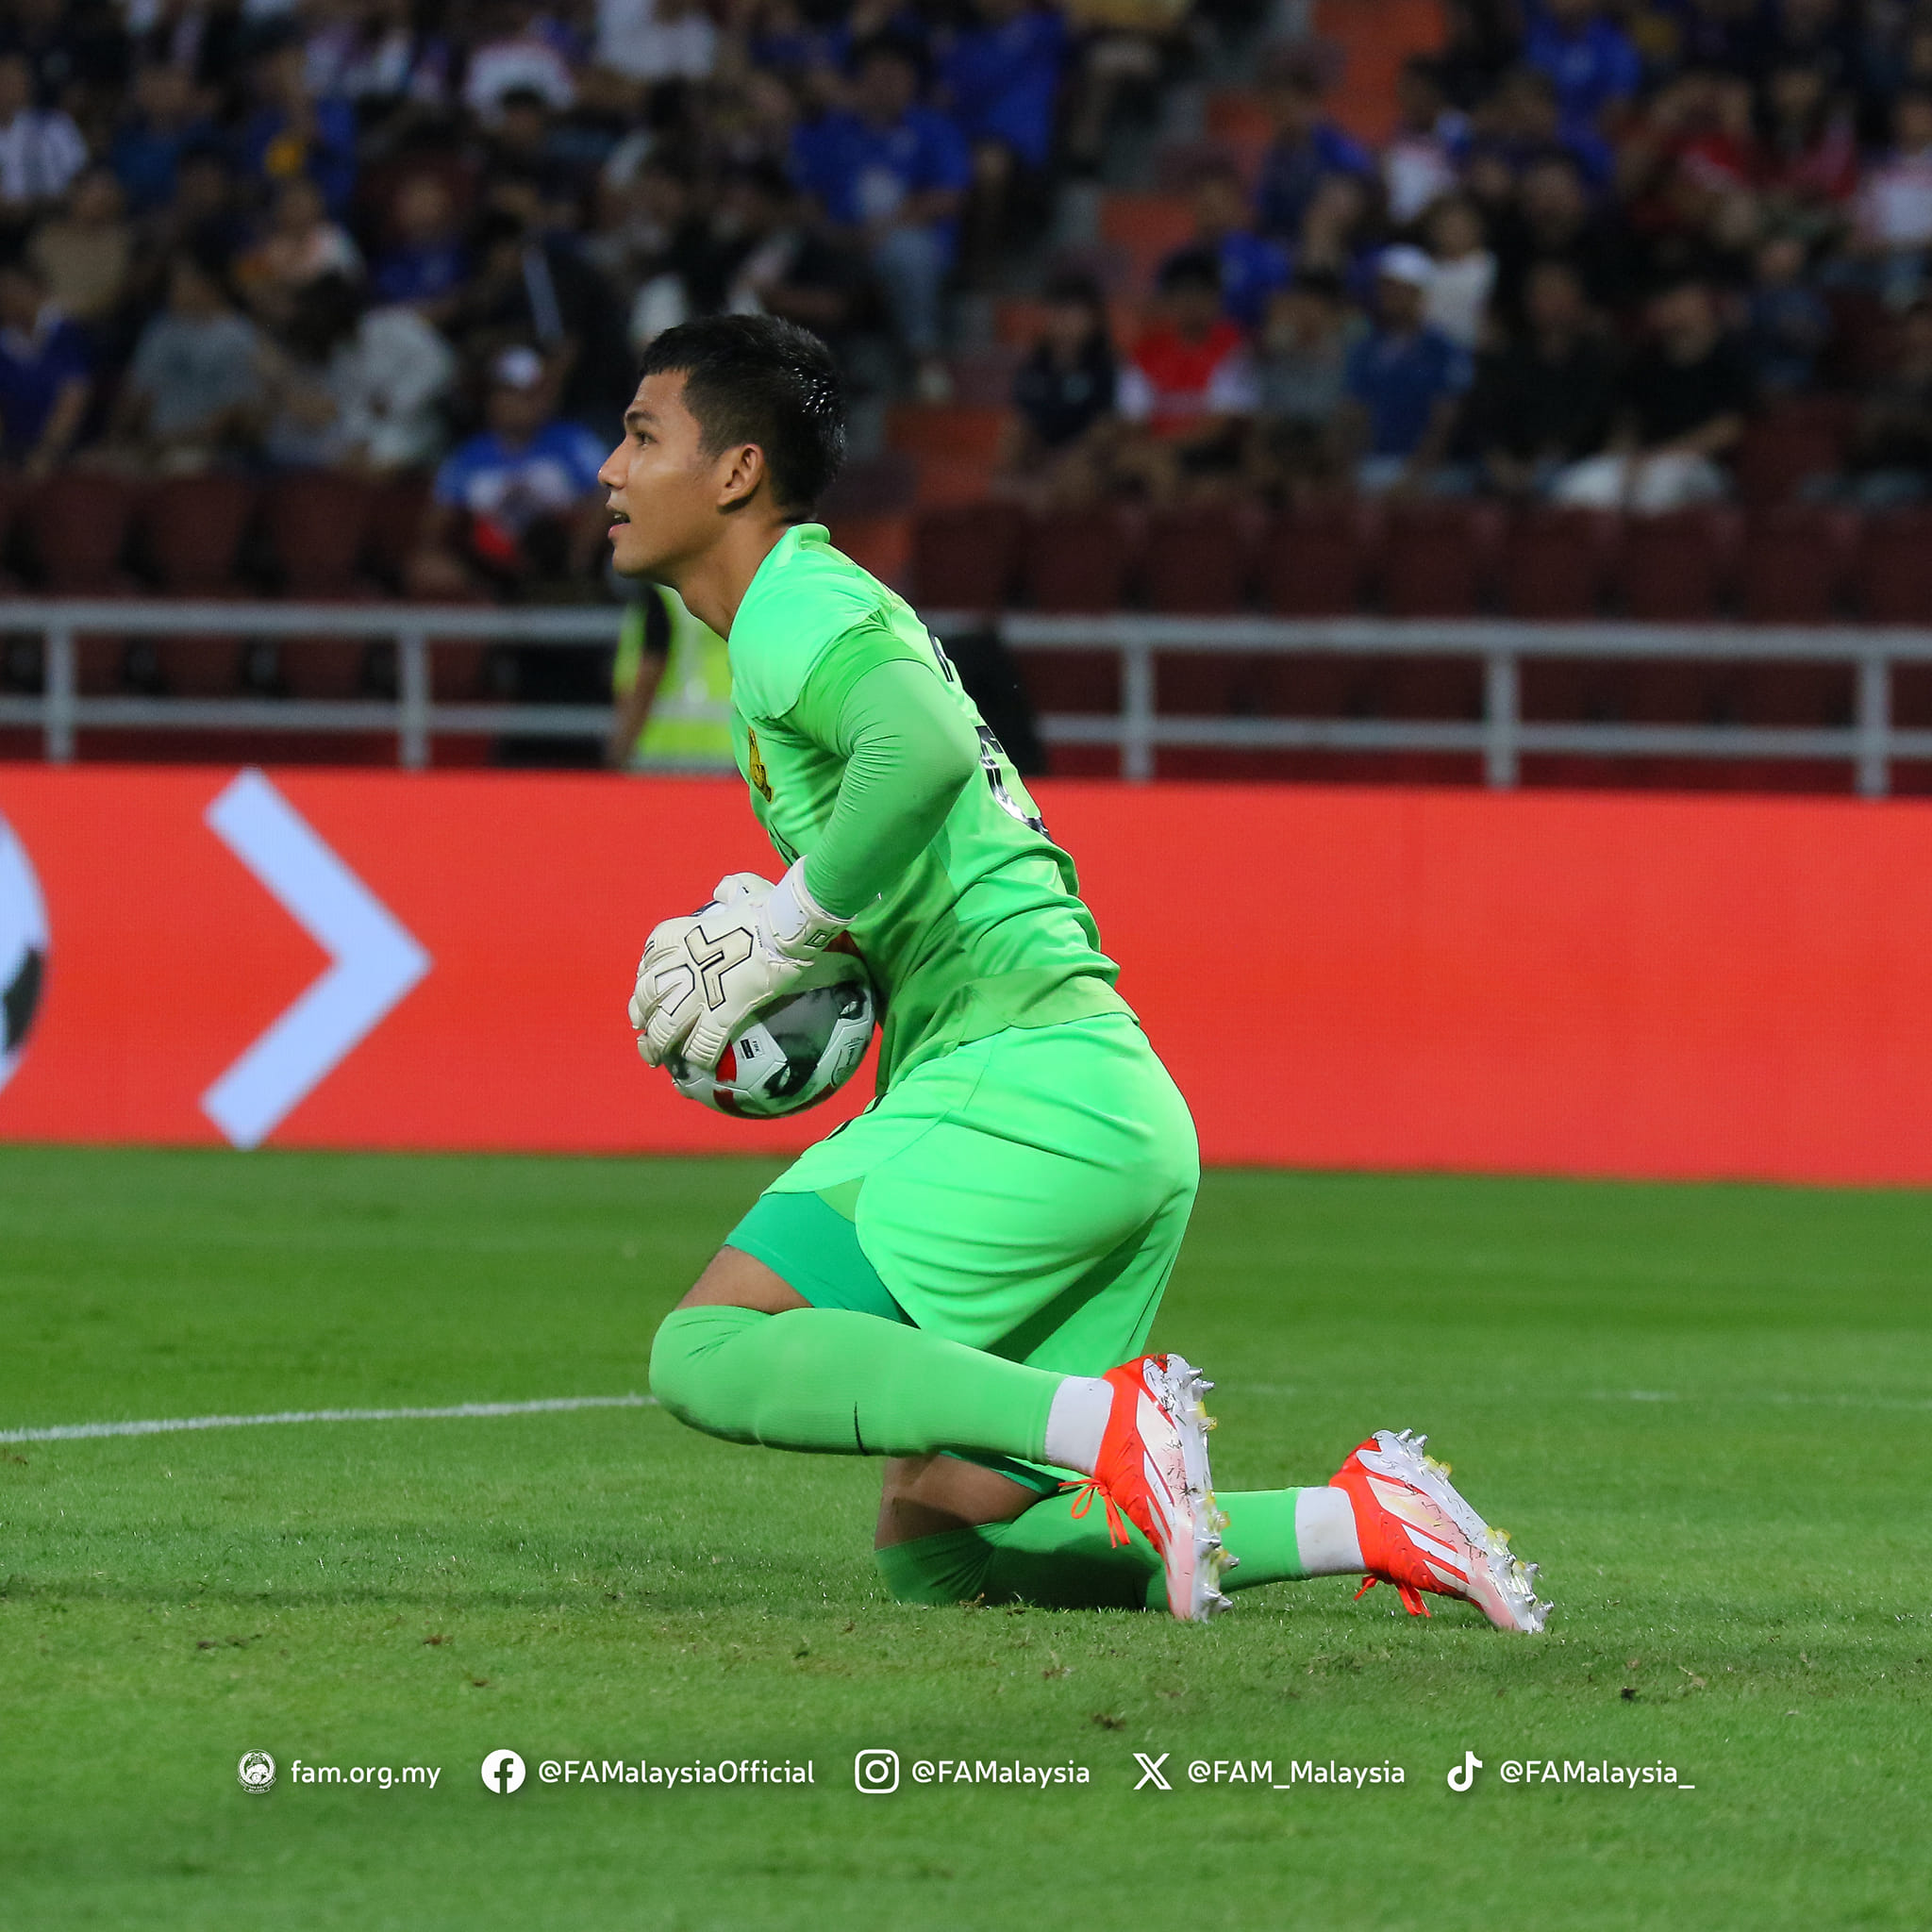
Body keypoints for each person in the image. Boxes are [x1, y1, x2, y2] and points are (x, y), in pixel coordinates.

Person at [607, 310, 1550, 1631]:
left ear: (737, 473)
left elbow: (924, 751)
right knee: (943, 1551)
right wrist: (809, 946)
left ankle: (1106, 1420)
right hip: (1102, 1106)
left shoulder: (789, 603)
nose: (608, 468)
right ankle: (1362, 1517)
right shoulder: (813, 611)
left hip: (1023, 1078)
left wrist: (785, 919)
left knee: (702, 1352)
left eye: (642, 434)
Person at [788, 35, 971, 400]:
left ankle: (925, 356)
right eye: (876, 75)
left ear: (911, 82)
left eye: (895, 76)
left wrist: (888, 226)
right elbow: (806, 193)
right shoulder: (835, 130)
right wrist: (831, 231)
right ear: (859, 81)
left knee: (907, 252)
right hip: (840, 241)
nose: (885, 85)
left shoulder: (932, 129)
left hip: (906, 238)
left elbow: (951, 196)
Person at [408, 343, 609, 597]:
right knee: (426, 568)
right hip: (488, 572)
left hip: (564, 563)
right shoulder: (467, 456)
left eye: (525, 395)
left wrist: (578, 555)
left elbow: (608, 496)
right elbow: (434, 527)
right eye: (505, 394)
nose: (513, 404)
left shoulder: (572, 442)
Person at [1553, 273, 1753, 512]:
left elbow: (1728, 428)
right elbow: (1630, 420)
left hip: (1703, 465)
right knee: (1576, 486)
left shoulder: (1729, 357)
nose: (1675, 308)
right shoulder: (1648, 361)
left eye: (1683, 299)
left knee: (1657, 489)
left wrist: (1662, 455)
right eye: (1669, 300)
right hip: (1645, 460)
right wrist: (1625, 459)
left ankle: (1651, 550)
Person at [1458, 258, 1613, 497]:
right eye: (1540, 293)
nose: (1548, 303)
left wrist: (1547, 461)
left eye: (1557, 293)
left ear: (1578, 298)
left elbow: (1597, 422)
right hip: (1509, 466)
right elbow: (1484, 423)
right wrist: (1502, 464)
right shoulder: (1505, 359)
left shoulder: (1600, 359)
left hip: (1577, 466)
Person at [1113, 248, 1257, 503]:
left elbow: (1221, 426)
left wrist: (1160, 448)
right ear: (1168, 301)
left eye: (1199, 293)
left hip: (1214, 455)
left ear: (1215, 299)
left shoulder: (1234, 348)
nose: (1190, 304)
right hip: (1154, 451)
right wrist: (1152, 450)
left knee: (1171, 475)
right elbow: (1132, 423)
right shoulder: (1145, 353)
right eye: (1182, 294)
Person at [1336, 243, 1473, 495]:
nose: (1390, 295)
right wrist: (1347, 472)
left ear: (1419, 293)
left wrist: (1416, 475)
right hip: (1372, 464)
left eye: (1399, 289)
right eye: (1385, 287)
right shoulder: (1365, 349)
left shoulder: (1442, 349)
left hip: (1431, 470)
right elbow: (1353, 412)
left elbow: (1445, 417)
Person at [113, 250, 265, 471]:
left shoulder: (239, 336)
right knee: (95, 471)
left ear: (205, 286)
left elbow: (237, 411)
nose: (170, 291)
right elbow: (137, 393)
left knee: (181, 467)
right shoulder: (161, 330)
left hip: (207, 447)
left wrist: (173, 441)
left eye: (179, 283)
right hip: (153, 442)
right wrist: (117, 439)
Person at [1001, 270, 1118, 506]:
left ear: (1094, 318)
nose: (1064, 320)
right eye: (1057, 311)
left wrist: (1065, 458)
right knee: (1011, 438)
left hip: (1086, 457)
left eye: (1073, 312)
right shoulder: (1033, 369)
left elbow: (1107, 428)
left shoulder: (1108, 369)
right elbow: (1023, 422)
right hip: (1041, 455)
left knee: (1080, 469)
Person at [608, 579, 735, 769]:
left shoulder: (661, 599)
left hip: (665, 754)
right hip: (728, 748)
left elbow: (646, 682)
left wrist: (619, 749)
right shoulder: (733, 588)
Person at [0, 256, 92, 475]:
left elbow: (73, 397)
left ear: (37, 290)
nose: (5, 298)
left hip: (63, 452)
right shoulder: (4, 342)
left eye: (12, 290)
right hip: (12, 450)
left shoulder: (66, 333)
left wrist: (47, 453)